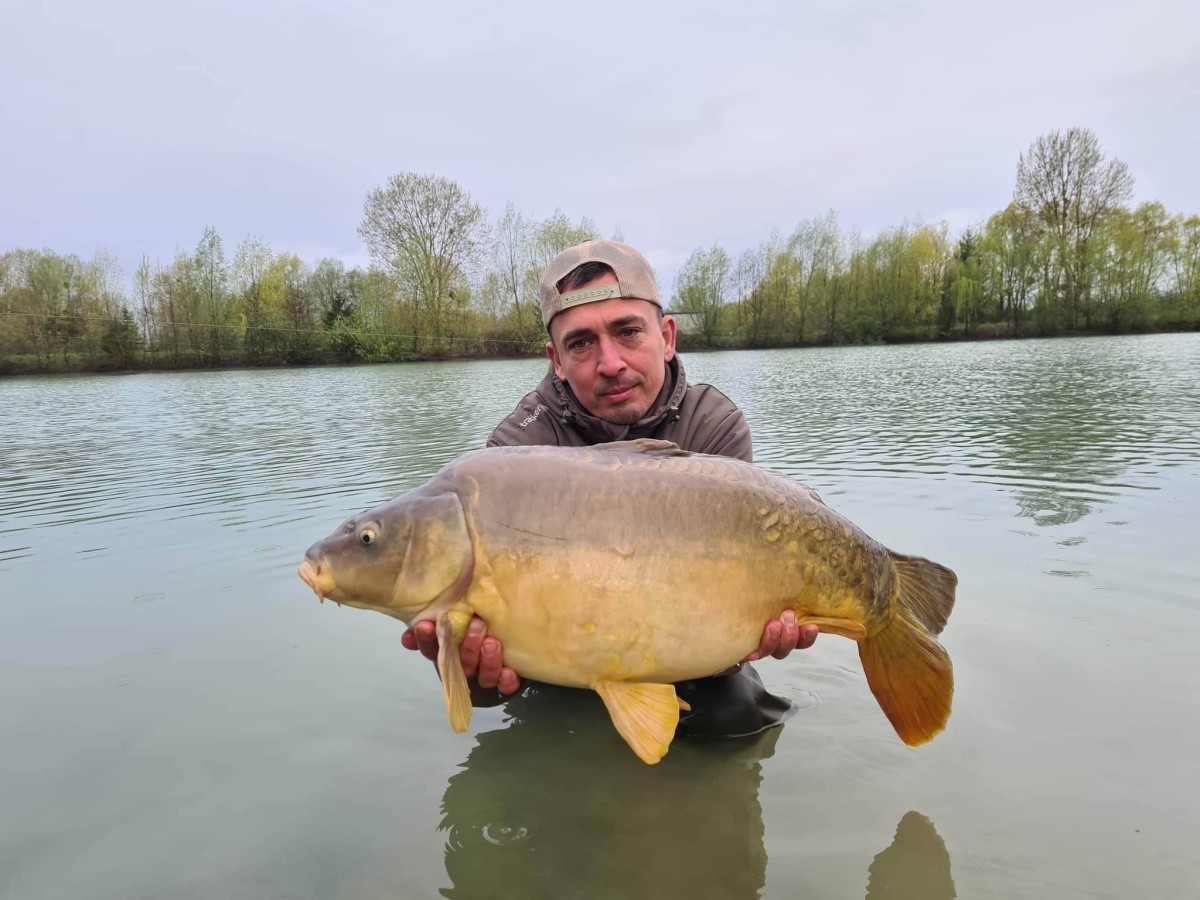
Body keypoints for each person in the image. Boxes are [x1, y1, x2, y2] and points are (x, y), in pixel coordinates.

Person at [401, 238, 818, 737]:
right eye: (581, 344)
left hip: (688, 648)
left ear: (666, 336)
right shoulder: (517, 448)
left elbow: (723, 608)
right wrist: (473, 668)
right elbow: (494, 663)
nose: (611, 362)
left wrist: (759, 624)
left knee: (739, 718)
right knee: (544, 739)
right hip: (559, 665)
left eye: (627, 332)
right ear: (556, 359)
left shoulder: (713, 425)